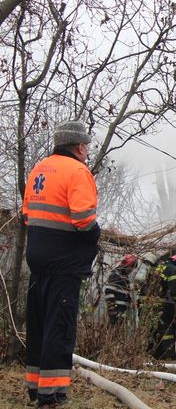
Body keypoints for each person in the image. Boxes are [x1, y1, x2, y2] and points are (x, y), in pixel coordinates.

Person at [22, 120, 100, 408]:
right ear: (79, 146)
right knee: (60, 327)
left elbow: (28, 215)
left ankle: (34, 387)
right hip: (64, 265)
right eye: (87, 147)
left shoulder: (39, 169)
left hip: (38, 261)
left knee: (39, 325)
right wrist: (95, 234)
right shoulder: (78, 171)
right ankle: (51, 395)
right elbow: (83, 219)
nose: (88, 152)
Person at [149, 253, 176, 359]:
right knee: (166, 329)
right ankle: (167, 355)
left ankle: (153, 354)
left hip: (147, 303)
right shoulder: (172, 270)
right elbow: (175, 292)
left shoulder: (161, 266)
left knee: (153, 329)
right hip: (158, 304)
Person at [105, 254, 137, 325]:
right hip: (116, 311)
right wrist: (112, 310)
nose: (131, 269)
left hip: (123, 312)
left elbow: (124, 292)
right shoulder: (115, 275)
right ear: (125, 264)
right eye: (131, 266)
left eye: (133, 267)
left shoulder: (125, 277)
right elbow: (109, 292)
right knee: (112, 331)